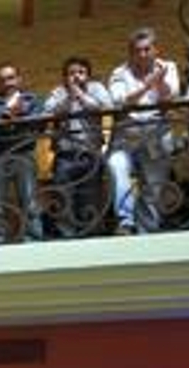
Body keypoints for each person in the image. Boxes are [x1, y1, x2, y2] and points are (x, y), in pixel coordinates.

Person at [106, 27, 181, 235]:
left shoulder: (168, 67)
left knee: (153, 186)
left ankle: (147, 232)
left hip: (157, 135)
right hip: (126, 136)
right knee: (116, 165)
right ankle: (126, 221)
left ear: (156, 49)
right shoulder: (119, 72)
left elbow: (171, 96)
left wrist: (161, 81)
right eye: (137, 50)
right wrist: (148, 85)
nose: (143, 54)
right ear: (130, 53)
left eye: (147, 49)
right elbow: (120, 100)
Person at [42, 57, 115, 238]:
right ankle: (67, 235)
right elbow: (48, 112)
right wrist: (69, 97)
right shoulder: (59, 92)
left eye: (81, 72)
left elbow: (106, 107)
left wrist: (81, 95)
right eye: (71, 73)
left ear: (88, 75)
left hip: (90, 152)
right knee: (63, 194)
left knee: (90, 196)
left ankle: (90, 234)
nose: (76, 76)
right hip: (65, 154)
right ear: (65, 76)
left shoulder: (96, 88)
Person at [0, 62, 43, 244]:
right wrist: (3, 118)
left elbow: (40, 124)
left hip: (24, 154)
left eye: (11, 78)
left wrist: (20, 117)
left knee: (29, 201)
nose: (8, 83)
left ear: (19, 79)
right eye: (2, 80)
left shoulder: (31, 100)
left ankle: (34, 240)